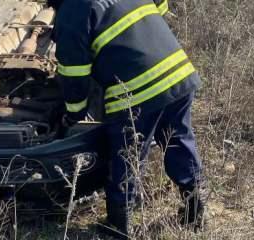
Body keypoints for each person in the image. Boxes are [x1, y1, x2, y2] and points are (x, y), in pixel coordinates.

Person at [48, 0, 207, 238]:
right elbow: (161, 7)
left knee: (126, 155)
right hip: (178, 72)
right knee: (179, 140)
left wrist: (73, 115)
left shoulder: (73, 10)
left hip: (138, 90)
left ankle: (118, 225)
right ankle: (196, 210)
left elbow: (74, 74)